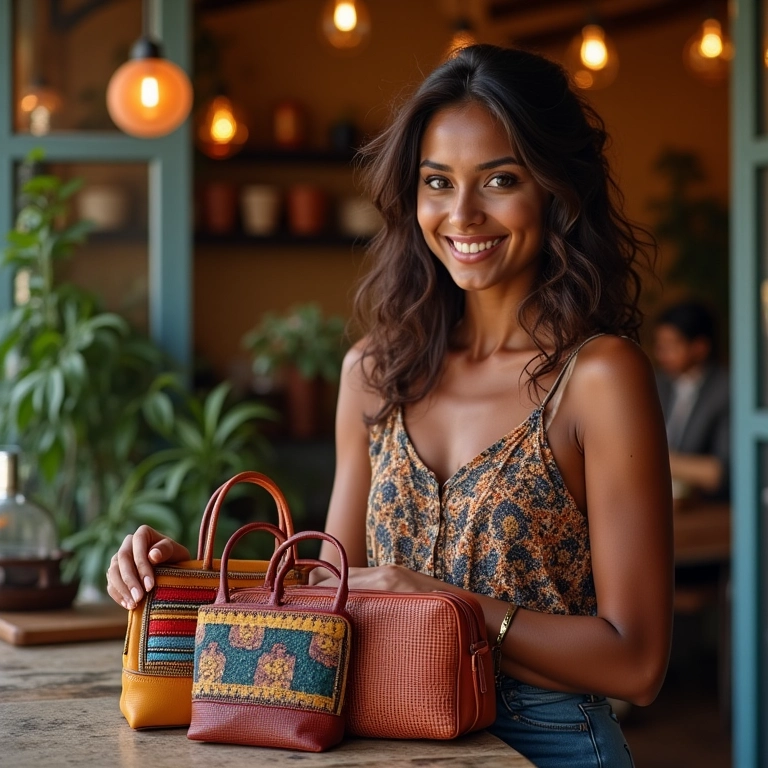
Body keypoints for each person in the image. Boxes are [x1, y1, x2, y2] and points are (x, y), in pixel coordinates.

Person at [107, 45, 673, 768]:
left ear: (556, 191)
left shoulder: (599, 376)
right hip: (389, 734)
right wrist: (196, 582)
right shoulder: (375, 373)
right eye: (438, 182)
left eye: (501, 179)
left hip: (548, 743)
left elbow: (638, 664)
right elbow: (329, 590)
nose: (462, 214)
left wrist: (439, 601)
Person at [653, 300, 730, 500]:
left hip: (709, 508)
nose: (661, 354)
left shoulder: (725, 390)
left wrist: (652, 460)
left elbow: (719, 472)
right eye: (660, 346)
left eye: (671, 346)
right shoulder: (658, 383)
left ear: (700, 347)